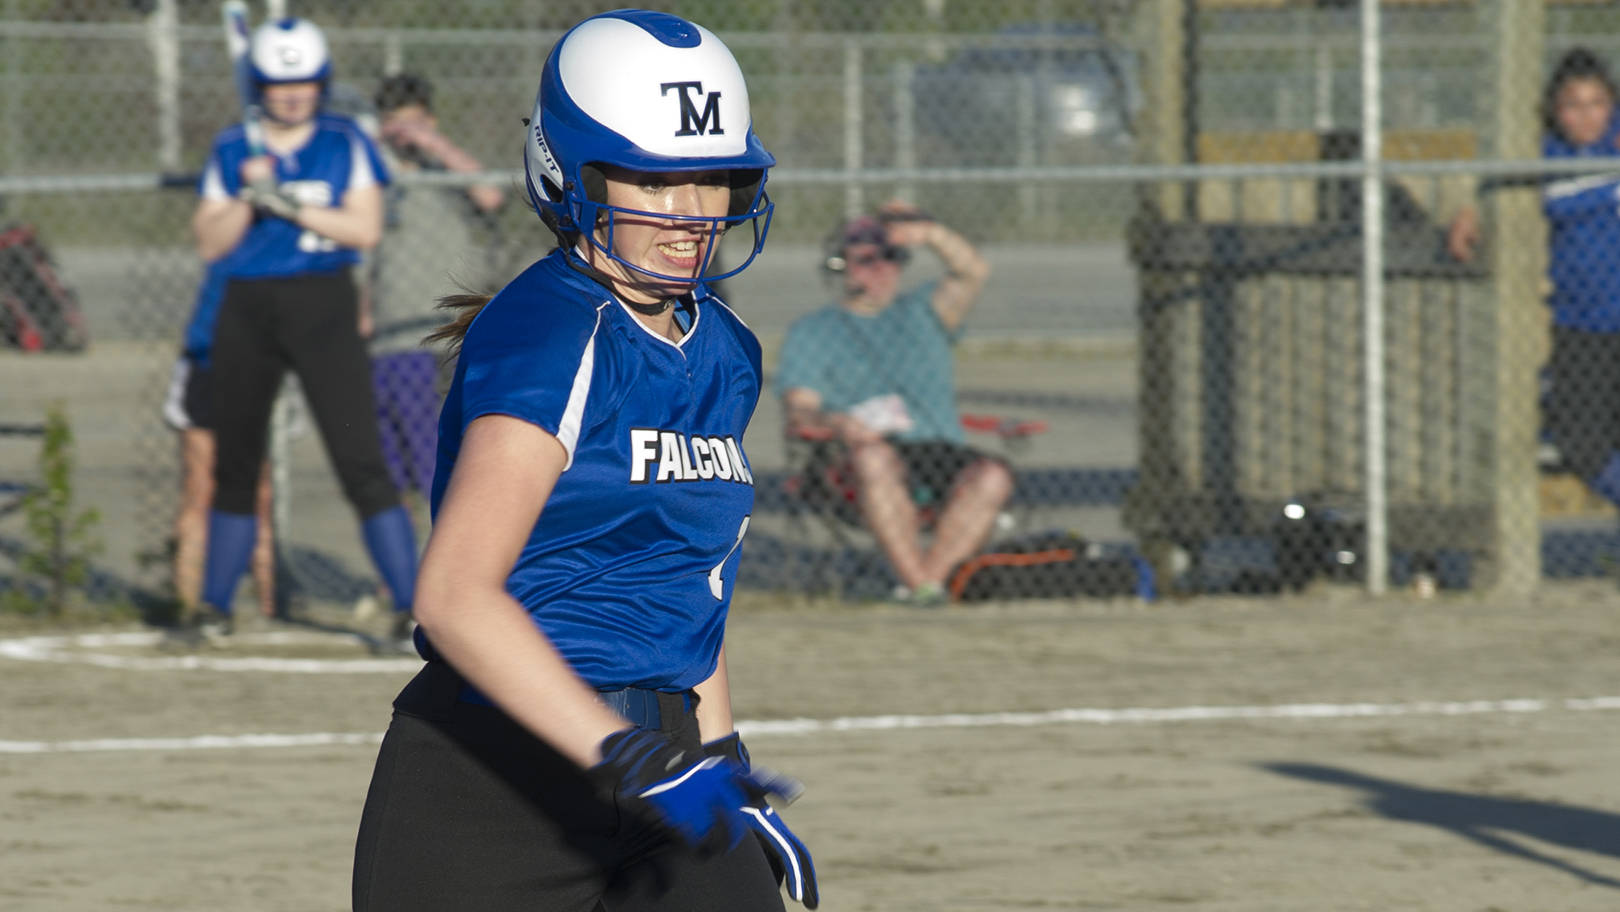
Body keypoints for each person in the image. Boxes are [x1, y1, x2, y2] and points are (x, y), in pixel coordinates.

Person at [350, 11, 816, 911]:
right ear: (571, 173)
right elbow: (453, 598)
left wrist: (719, 759)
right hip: (493, 773)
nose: (690, 213)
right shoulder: (553, 330)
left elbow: (688, 585)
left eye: (712, 178)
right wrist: (623, 753)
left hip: (664, 766)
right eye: (652, 178)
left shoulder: (725, 345)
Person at [189, 16, 418, 651]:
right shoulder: (235, 147)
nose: (292, 95)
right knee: (236, 461)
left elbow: (364, 228)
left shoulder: (345, 141)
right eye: (278, 84)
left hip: (324, 305)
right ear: (259, 84)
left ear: (321, 83)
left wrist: (287, 202)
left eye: (304, 83)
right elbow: (211, 241)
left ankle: (411, 607)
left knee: (360, 462)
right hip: (248, 308)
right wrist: (248, 195)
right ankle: (212, 608)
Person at [777, 203, 1010, 606]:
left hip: (937, 450)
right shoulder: (814, 331)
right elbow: (800, 411)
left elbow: (973, 272)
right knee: (874, 460)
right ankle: (923, 586)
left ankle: (924, 586)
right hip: (858, 454)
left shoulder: (926, 312)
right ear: (840, 267)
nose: (882, 269)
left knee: (992, 474)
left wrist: (929, 235)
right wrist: (838, 423)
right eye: (866, 260)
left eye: (892, 258)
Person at [1447, 48, 1620, 515]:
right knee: (1580, 445)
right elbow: (1496, 183)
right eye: (1573, 105)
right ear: (1554, 110)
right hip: (1583, 322)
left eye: (1597, 103)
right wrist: (1471, 207)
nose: (1586, 116)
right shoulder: (1547, 155)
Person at [366, 72, 507, 503]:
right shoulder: (373, 171)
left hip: (451, 332)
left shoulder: (445, 168)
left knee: (447, 458)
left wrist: (433, 145)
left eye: (415, 122)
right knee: (398, 467)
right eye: (396, 123)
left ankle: (445, 552)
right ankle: (413, 557)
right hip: (393, 333)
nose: (406, 133)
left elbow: (491, 197)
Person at [161, 254, 274, 620]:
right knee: (200, 490)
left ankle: (269, 610)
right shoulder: (232, 229)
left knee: (260, 495)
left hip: (263, 364)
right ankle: (191, 609)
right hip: (209, 361)